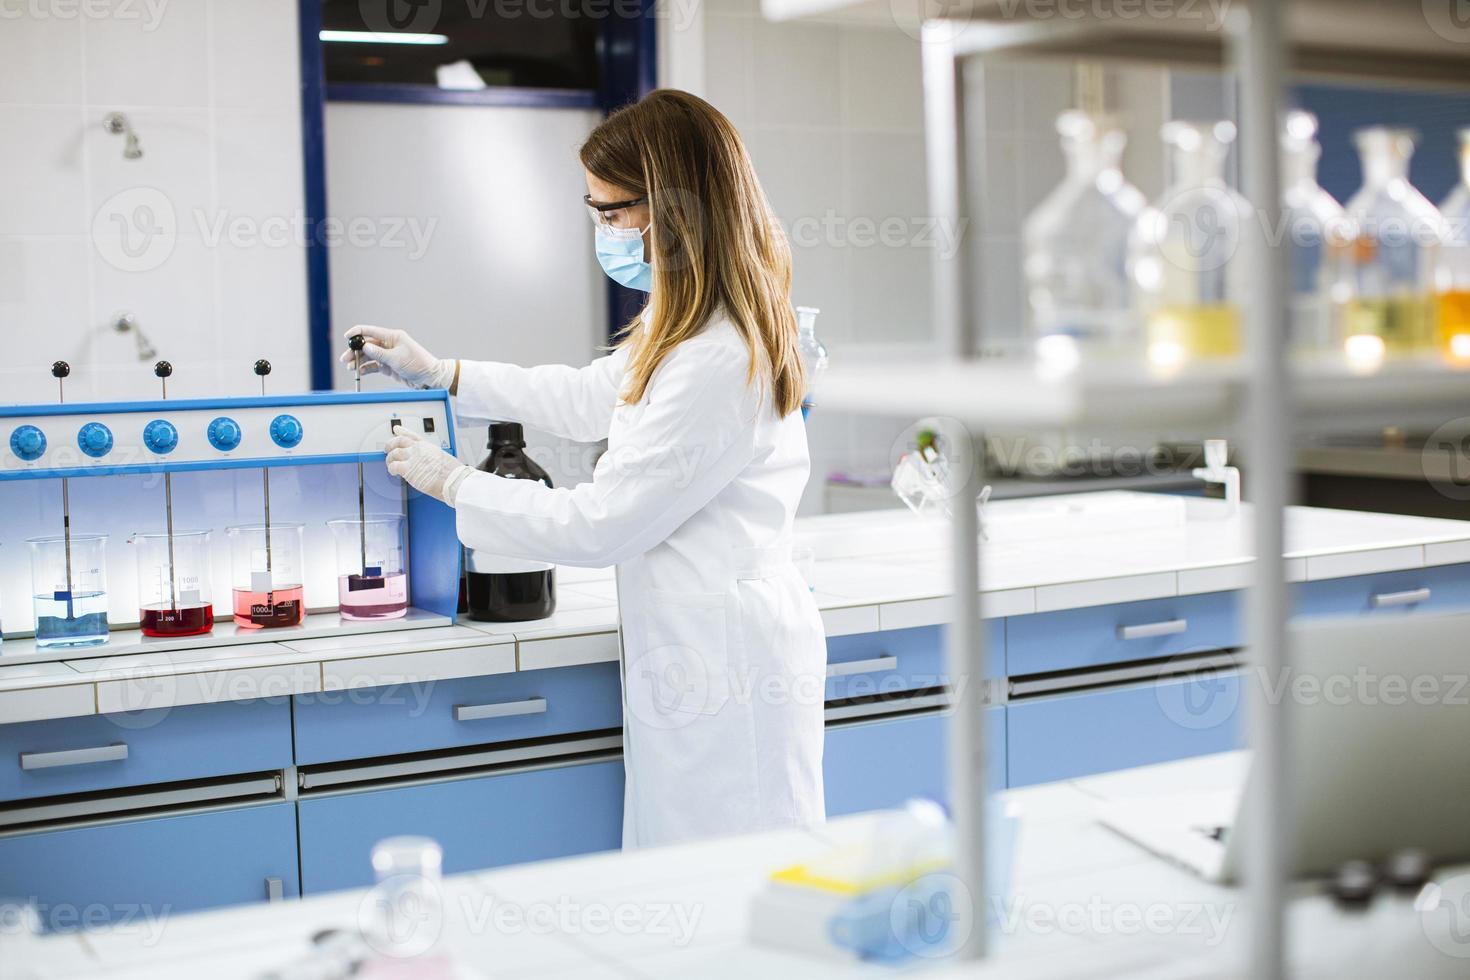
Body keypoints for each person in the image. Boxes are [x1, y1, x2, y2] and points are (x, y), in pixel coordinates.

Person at [351, 89, 826, 849]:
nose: (602, 231)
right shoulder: (690, 328)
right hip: (696, 648)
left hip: (727, 665)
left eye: (610, 214)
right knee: (691, 882)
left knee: (727, 886)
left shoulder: (716, 355)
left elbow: (604, 524)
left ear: (672, 212)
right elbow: (588, 396)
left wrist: (453, 482)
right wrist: (441, 372)